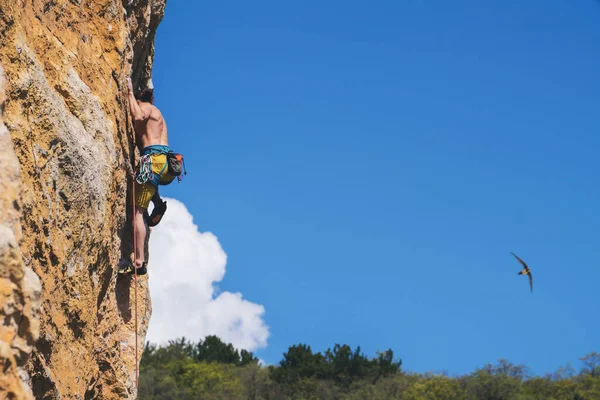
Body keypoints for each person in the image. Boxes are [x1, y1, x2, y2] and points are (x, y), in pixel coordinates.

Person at [119, 78, 173, 276]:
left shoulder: (148, 109)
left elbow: (138, 116)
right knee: (148, 186)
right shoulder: (160, 116)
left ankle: (139, 262)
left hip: (152, 159)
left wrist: (129, 94)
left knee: (137, 212)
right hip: (163, 163)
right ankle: (157, 202)